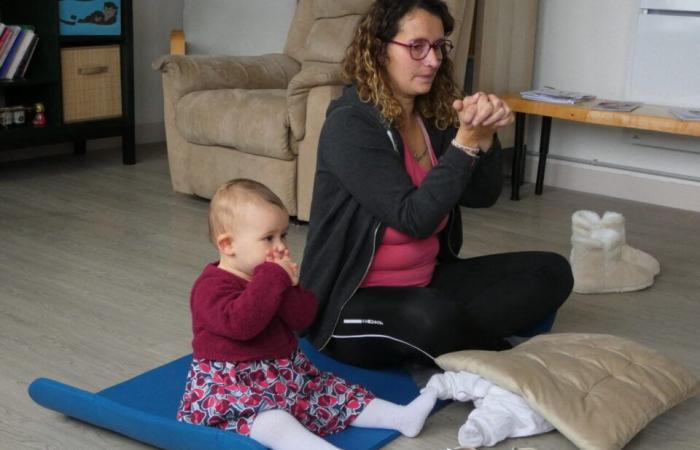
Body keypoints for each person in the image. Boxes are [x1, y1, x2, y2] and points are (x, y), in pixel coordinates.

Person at [300, 0, 574, 368]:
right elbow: (415, 218)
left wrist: (485, 139)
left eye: (439, 46)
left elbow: (481, 195)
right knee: (430, 317)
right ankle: (491, 353)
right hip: (351, 299)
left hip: (426, 281)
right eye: (417, 47)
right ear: (379, 49)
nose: (432, 60)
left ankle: (463, 345)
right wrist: (464, 145)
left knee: (552, 271)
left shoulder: (429, 112)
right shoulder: (350, 125)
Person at [176, 179, 439, 450]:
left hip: (284, 374)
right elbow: (242, 324)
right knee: (274, 422)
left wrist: (289, 287)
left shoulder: (270, 279)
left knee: (336, 393)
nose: (280, 246)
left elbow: (302, 320)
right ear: (228, 245)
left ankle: (401, 417)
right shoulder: (211, 286)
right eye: (268, 238)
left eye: (283, 235)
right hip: (234, 389)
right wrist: (272, 278)